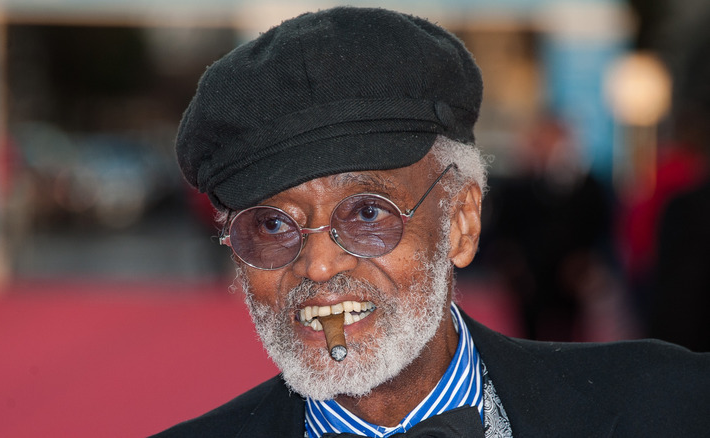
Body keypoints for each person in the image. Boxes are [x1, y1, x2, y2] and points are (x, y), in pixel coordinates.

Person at [152, 7, 709, 437]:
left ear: (461, 221)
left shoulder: (671, 405)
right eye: (272, 226)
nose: (318, 265)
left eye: (368, 212)